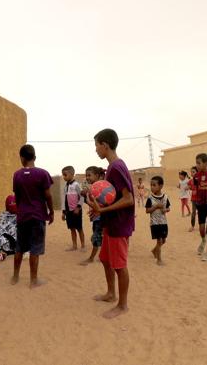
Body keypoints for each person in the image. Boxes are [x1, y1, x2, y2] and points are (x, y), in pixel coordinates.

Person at [87, 129, 135, 319]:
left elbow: (129, 199)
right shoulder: (111, 168)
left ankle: (122, 305)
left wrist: (102, 210)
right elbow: (111, 198)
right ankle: (111, 294)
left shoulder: (116, 166)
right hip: (110, 223)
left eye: (97, 146)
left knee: (119, 265)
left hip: (119, 225)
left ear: (105, 145)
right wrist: (98, 208)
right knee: (106, 259)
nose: (96, 150)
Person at [11, 145, 54, 288]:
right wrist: (51, 212)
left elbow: (17, 196)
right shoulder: (43, 174)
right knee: (35, 248)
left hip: (23, 216)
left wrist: (20, 209)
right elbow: (48, 195)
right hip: (37, 216)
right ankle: (33, 280)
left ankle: (15, 276)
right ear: (34, 157)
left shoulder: (16, 175)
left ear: (21, 158)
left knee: (19, 248)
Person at [79, 166, 105, 266]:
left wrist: (87, 196)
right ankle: (103, 256)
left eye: (89, 175)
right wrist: (85, 196)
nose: (87, 177)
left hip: (99, 217)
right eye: (86, 175)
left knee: (96, 238)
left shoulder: (99, 188)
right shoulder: (93, 187)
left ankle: (91, 258)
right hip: (96, 217)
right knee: (99, 237)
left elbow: (99, 204)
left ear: (97, 176)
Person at [146, 176, 171, 266]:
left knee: (163, 240)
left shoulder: (165, 197)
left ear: (161, 186)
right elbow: (147, 210)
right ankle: (159, 260)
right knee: (159, 241)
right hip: (155, 223)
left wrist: (165, 210)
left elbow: (168, 208)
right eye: (151, 185)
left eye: (154, 185)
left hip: (164, 222)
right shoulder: (150, 198)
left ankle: (154, 250)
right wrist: (156, 206)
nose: (152, 187)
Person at [61, 165, 86, 251]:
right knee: (71, 228)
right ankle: (74, 245)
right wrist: (64, 212)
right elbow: (64, 199)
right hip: (69, 212)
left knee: (79, 228)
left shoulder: (76, 185)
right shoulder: (65, 186)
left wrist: (78, 207)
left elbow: (82, 197)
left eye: (65, 175)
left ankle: (83, 245)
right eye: (63, 175)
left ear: (72, 174)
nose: (63, 177)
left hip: (76, 211)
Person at [188, 166, 198, 232]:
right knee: (193, 212)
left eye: (193, 172)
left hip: (201, 200)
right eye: (191, 172)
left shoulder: (200, 180)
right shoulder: (190, 181)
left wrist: (197, 190)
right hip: (194, 199)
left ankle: (202, 226)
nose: (192, 173)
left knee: (202, 213)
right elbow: (190, 187)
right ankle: (192, 226)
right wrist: (190, 188)